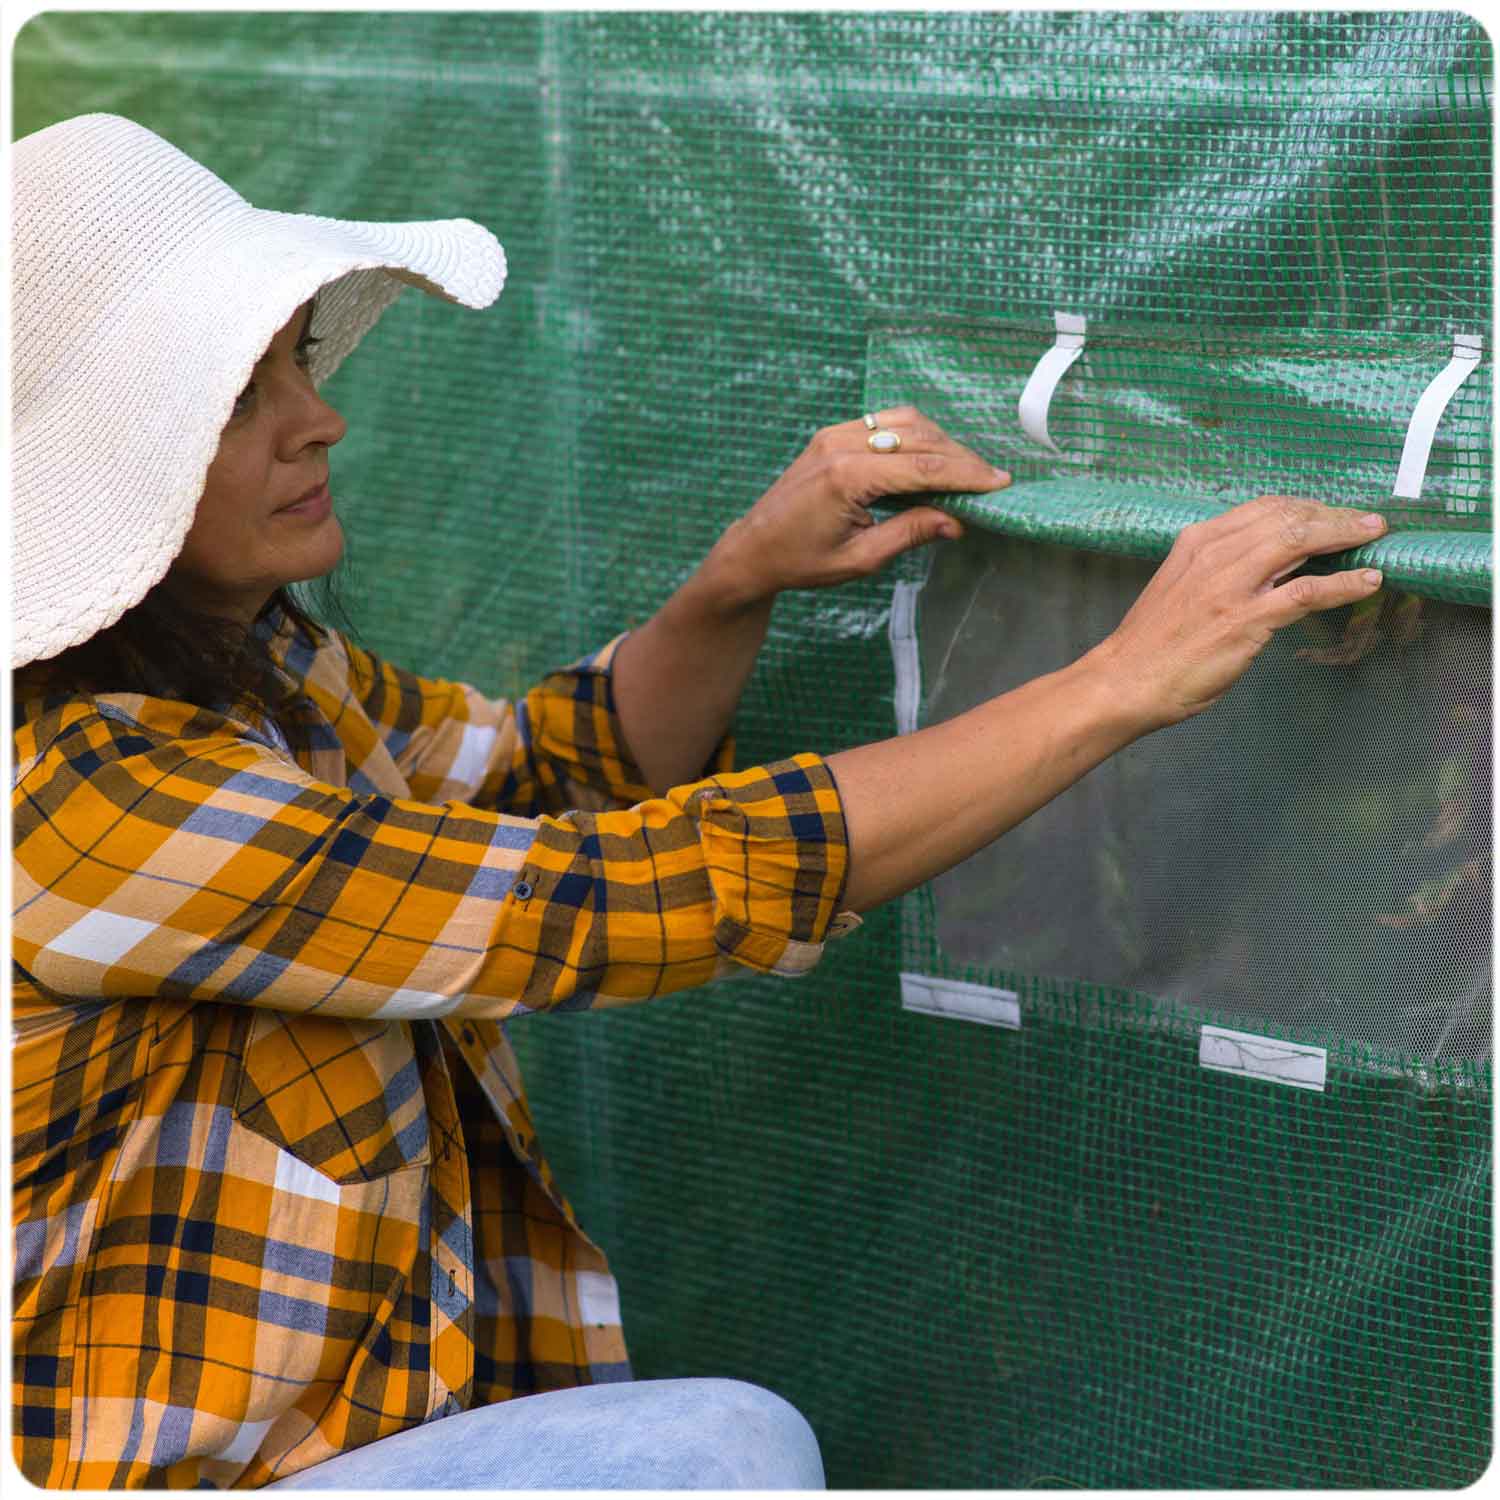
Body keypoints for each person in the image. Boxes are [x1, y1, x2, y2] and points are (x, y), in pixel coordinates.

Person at [10, 113, 1388, 1492]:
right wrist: (1116, 683)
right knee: (710, 1457)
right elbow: (588, 899)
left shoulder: (259, 670)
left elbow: (540, 773)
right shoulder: (82, 798)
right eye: (235, 400)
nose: (320, 417)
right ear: (107, 467)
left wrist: (741, 577)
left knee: (711, 1447)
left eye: (295, 362)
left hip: (348, 1442)